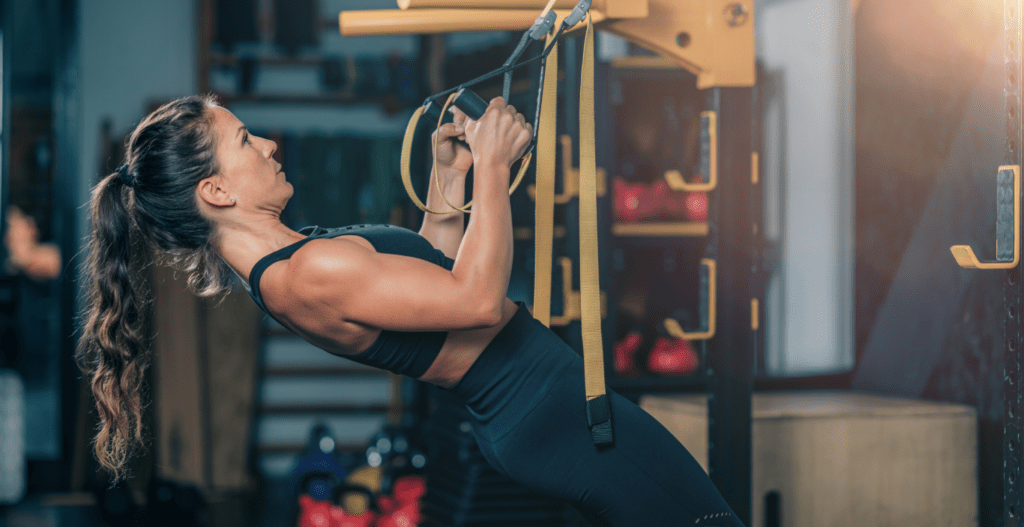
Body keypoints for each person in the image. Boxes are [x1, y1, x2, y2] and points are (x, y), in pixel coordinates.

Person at [76, 94, 745, 527]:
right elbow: (476, 301)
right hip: (547, 413)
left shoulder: (296, 261)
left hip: (540, 410)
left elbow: (428, 269)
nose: (270, 145)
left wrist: (449, 176)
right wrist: (490, 168)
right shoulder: (304, 273)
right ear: (217, 189)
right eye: (247, 141)